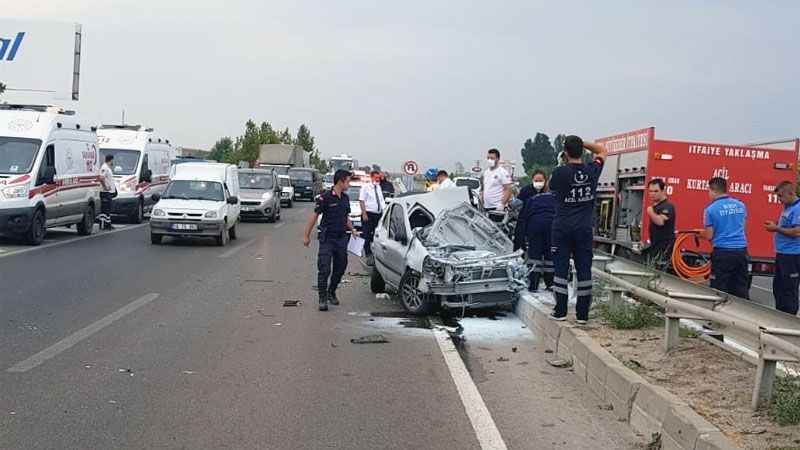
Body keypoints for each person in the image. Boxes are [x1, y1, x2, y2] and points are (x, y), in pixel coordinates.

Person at [549, 136, 607, 323]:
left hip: (562, 229)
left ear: (565, 152)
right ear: (582, 151)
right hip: (583, 229)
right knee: (584, 271)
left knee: (560, 270)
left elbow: (552, 188)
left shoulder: (559, 173)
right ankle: (582, 315)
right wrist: (583, 144)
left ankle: (560, 311)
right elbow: (602, 151)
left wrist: (563, 161)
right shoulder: (592, 170)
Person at [303, 170, 357, 311]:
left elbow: (346, 218)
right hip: (327, 239)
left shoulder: (345, 198)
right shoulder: (325, 197)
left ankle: (331, 291)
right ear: (340, 181)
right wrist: (306, 235)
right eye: (348, 181)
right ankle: (322, 298)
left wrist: (352, 229)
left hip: (341, 239)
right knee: (324, 268)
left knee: (341, 267)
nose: (349, 184)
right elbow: (314, 216)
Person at [700, 177, 749, 299]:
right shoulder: (741, 205)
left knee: (719, 288)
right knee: (740, 288)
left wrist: (700, 234)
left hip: (723, 253)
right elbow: (742, 227)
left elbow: (709, 235)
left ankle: (719, 316)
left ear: (713, 190)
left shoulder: (710, 210)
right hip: (741, 252)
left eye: (709, 191)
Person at [514, 169, 555, 292]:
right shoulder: (527, 191)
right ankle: (548, 283)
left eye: (540, 180)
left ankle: (535, 284)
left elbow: (525, 212)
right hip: (546, 226)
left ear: (545, 181)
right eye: (536, 180)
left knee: (536, 255)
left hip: (534, 226)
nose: (538, 183)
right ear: (532, 180)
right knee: (548, 256)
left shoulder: (536, 197)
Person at [765, 181, 800, 315]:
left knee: (788, 289)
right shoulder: (788, 207)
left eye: (781, 196)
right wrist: (776, 224)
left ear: (791, 193)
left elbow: (797, 231)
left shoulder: (797, 208)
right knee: (778, 288)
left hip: (792, 255)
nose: (779, 199)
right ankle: (780, 315)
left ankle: (789, 319)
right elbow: (787, 226)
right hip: (782, 254)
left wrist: (776, 228)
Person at [645, 179, 676, 271]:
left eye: (656, 191)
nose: (652, 194)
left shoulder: (667, 206)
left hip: (664, 249)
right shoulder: (656, 206)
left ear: (663, 191)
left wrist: (650, 212)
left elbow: (660, 222)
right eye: (650, 191)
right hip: (655, 246)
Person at [481, 148, 512, 222]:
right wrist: (482, 201)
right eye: (488, 158)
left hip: (497, 208)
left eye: (492, 158)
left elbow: (508, 189)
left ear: (497, 159)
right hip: (487, 207)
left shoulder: (502, 172)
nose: (489, 160)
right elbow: (484, 189)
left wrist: (502, 204)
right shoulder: (486, 172)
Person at [359, 171, 385, 259]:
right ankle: (367, 252)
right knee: (367, 234)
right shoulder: (366, 187)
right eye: (376, 178)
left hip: (378, 214)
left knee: (377, 234)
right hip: (368, 214)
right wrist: (364, 213)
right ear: (371, 177)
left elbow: (381, 201)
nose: (378, 180)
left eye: (379, 178)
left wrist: (384, 212)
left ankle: (376, 252)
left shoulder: (378, 187)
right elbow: (361, 200)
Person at [98, 154, 117, 230]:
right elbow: (101, 178)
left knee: (107, 208)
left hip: (108, 192)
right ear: (111, 160)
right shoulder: (105, 167)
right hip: (105, 192)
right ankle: (106, 224)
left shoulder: (107, 167)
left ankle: (106, 223)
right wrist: (105, 187)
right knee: (106, 209)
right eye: (113, 160)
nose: (113, 162)